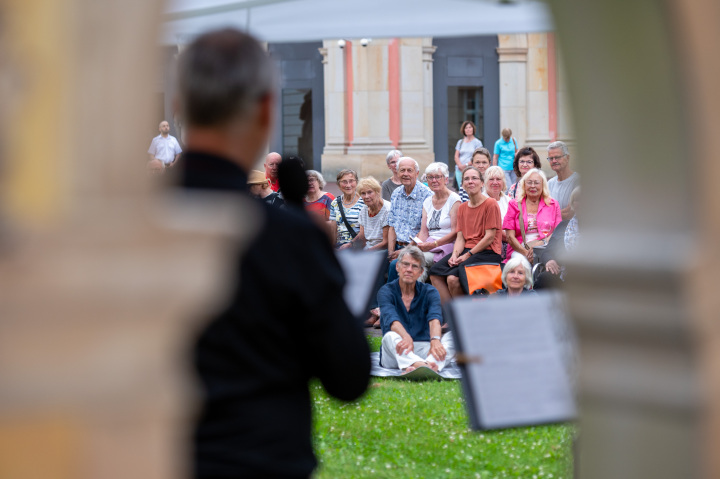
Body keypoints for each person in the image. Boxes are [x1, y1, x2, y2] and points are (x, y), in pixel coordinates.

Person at [177, 28, 370, 479]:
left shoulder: (125, 230)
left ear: (180, 106)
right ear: (265, 109)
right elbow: (348, 376)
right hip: (262, 459)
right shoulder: (288, 237)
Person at [429, 166, 503, 302]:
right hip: (467, 252)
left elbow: (489, 237)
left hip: (488, 252)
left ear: (482, 183)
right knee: (435, 272)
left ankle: (473, 311)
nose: (470, 182)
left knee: (461, 271)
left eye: (474, 178)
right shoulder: (462, 207)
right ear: (462, 184)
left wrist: (467, 255)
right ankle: (451, 315)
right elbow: (460, 237)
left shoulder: (490, 204)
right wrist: (455, 254)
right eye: (467, 179)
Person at [378, 246, 455, 373]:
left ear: (421, 272)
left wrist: (435, 339)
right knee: (390, 336)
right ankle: (426, 366)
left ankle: (422, 365)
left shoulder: (430, 291)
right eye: (405, 264)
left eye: (414, 266)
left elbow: (434, 318)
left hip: (424, 349)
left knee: (454, 336)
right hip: (395, 351)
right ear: (397, 267)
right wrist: (405, 336)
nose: (409, 269)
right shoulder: (386, 291)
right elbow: (391, 319)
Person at [503, 168, 562, 265]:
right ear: (524, 185)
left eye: (536, 182)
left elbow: (557, 231)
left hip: (545, 247)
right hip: (520, 249)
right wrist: (526, 254)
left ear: (543, 185)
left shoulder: (553, 204)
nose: (533, 186)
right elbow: (510, 237)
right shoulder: (514, 205)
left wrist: (542, 242)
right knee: (521, 265)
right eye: (529, 182)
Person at [413, 162, 460, 269]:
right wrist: (419, 245)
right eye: (430, 177)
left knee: (414, 262)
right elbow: (424, 231)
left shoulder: (454, 200)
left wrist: (434, 244)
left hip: (445, 247)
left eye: (438, 177)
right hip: (429, 245)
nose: (434, 180)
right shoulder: (427, 201)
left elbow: (455, 233)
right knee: (407, 257)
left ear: (446, 180)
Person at [534, 186, 581, 289]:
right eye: (578, 200)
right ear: (573, 204)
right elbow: (547, 252)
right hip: (561, 272)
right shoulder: (563, 226)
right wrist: (550, 260)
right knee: (543, 278)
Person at [329, 169, 365, 249]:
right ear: (338, 185)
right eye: (344, 182)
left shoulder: (364, 202)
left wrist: (350, 244)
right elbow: (333, 230)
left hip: (358, 246)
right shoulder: (335, 203)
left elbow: (366, 231)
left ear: (356, 182)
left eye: (351, 181)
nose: (348, 185)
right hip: (340, 246)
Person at [354, 176, 390, 251]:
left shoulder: (387, 210)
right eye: (363, 193)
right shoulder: (364, 210)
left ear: (377, 192)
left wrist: (366, 253)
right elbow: (362, 237)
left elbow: (386, 243)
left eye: (370, 192)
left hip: (382, 251)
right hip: (368, 248)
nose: (366, 196)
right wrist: (350, 246)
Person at [546, 140, 580, 220]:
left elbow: (569, 214)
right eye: (551, 158)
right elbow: (544, 211)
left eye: (557, 157)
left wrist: (552, 214)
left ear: (567, 158)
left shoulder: (577, 181)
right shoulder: (550, 183)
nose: (554, 161)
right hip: (552, 230)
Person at [453, 120, 483, 188]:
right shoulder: (460, 142)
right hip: (459, 170)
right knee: (461, 189)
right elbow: (456, 156)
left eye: (470, 127)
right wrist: (460, 166)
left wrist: (466, 165)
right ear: (463, 130)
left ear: (473, 129)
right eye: (466, 128)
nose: (468, 129)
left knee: (470, 188)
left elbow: (477, 157)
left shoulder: (477, 142)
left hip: (471, 170)